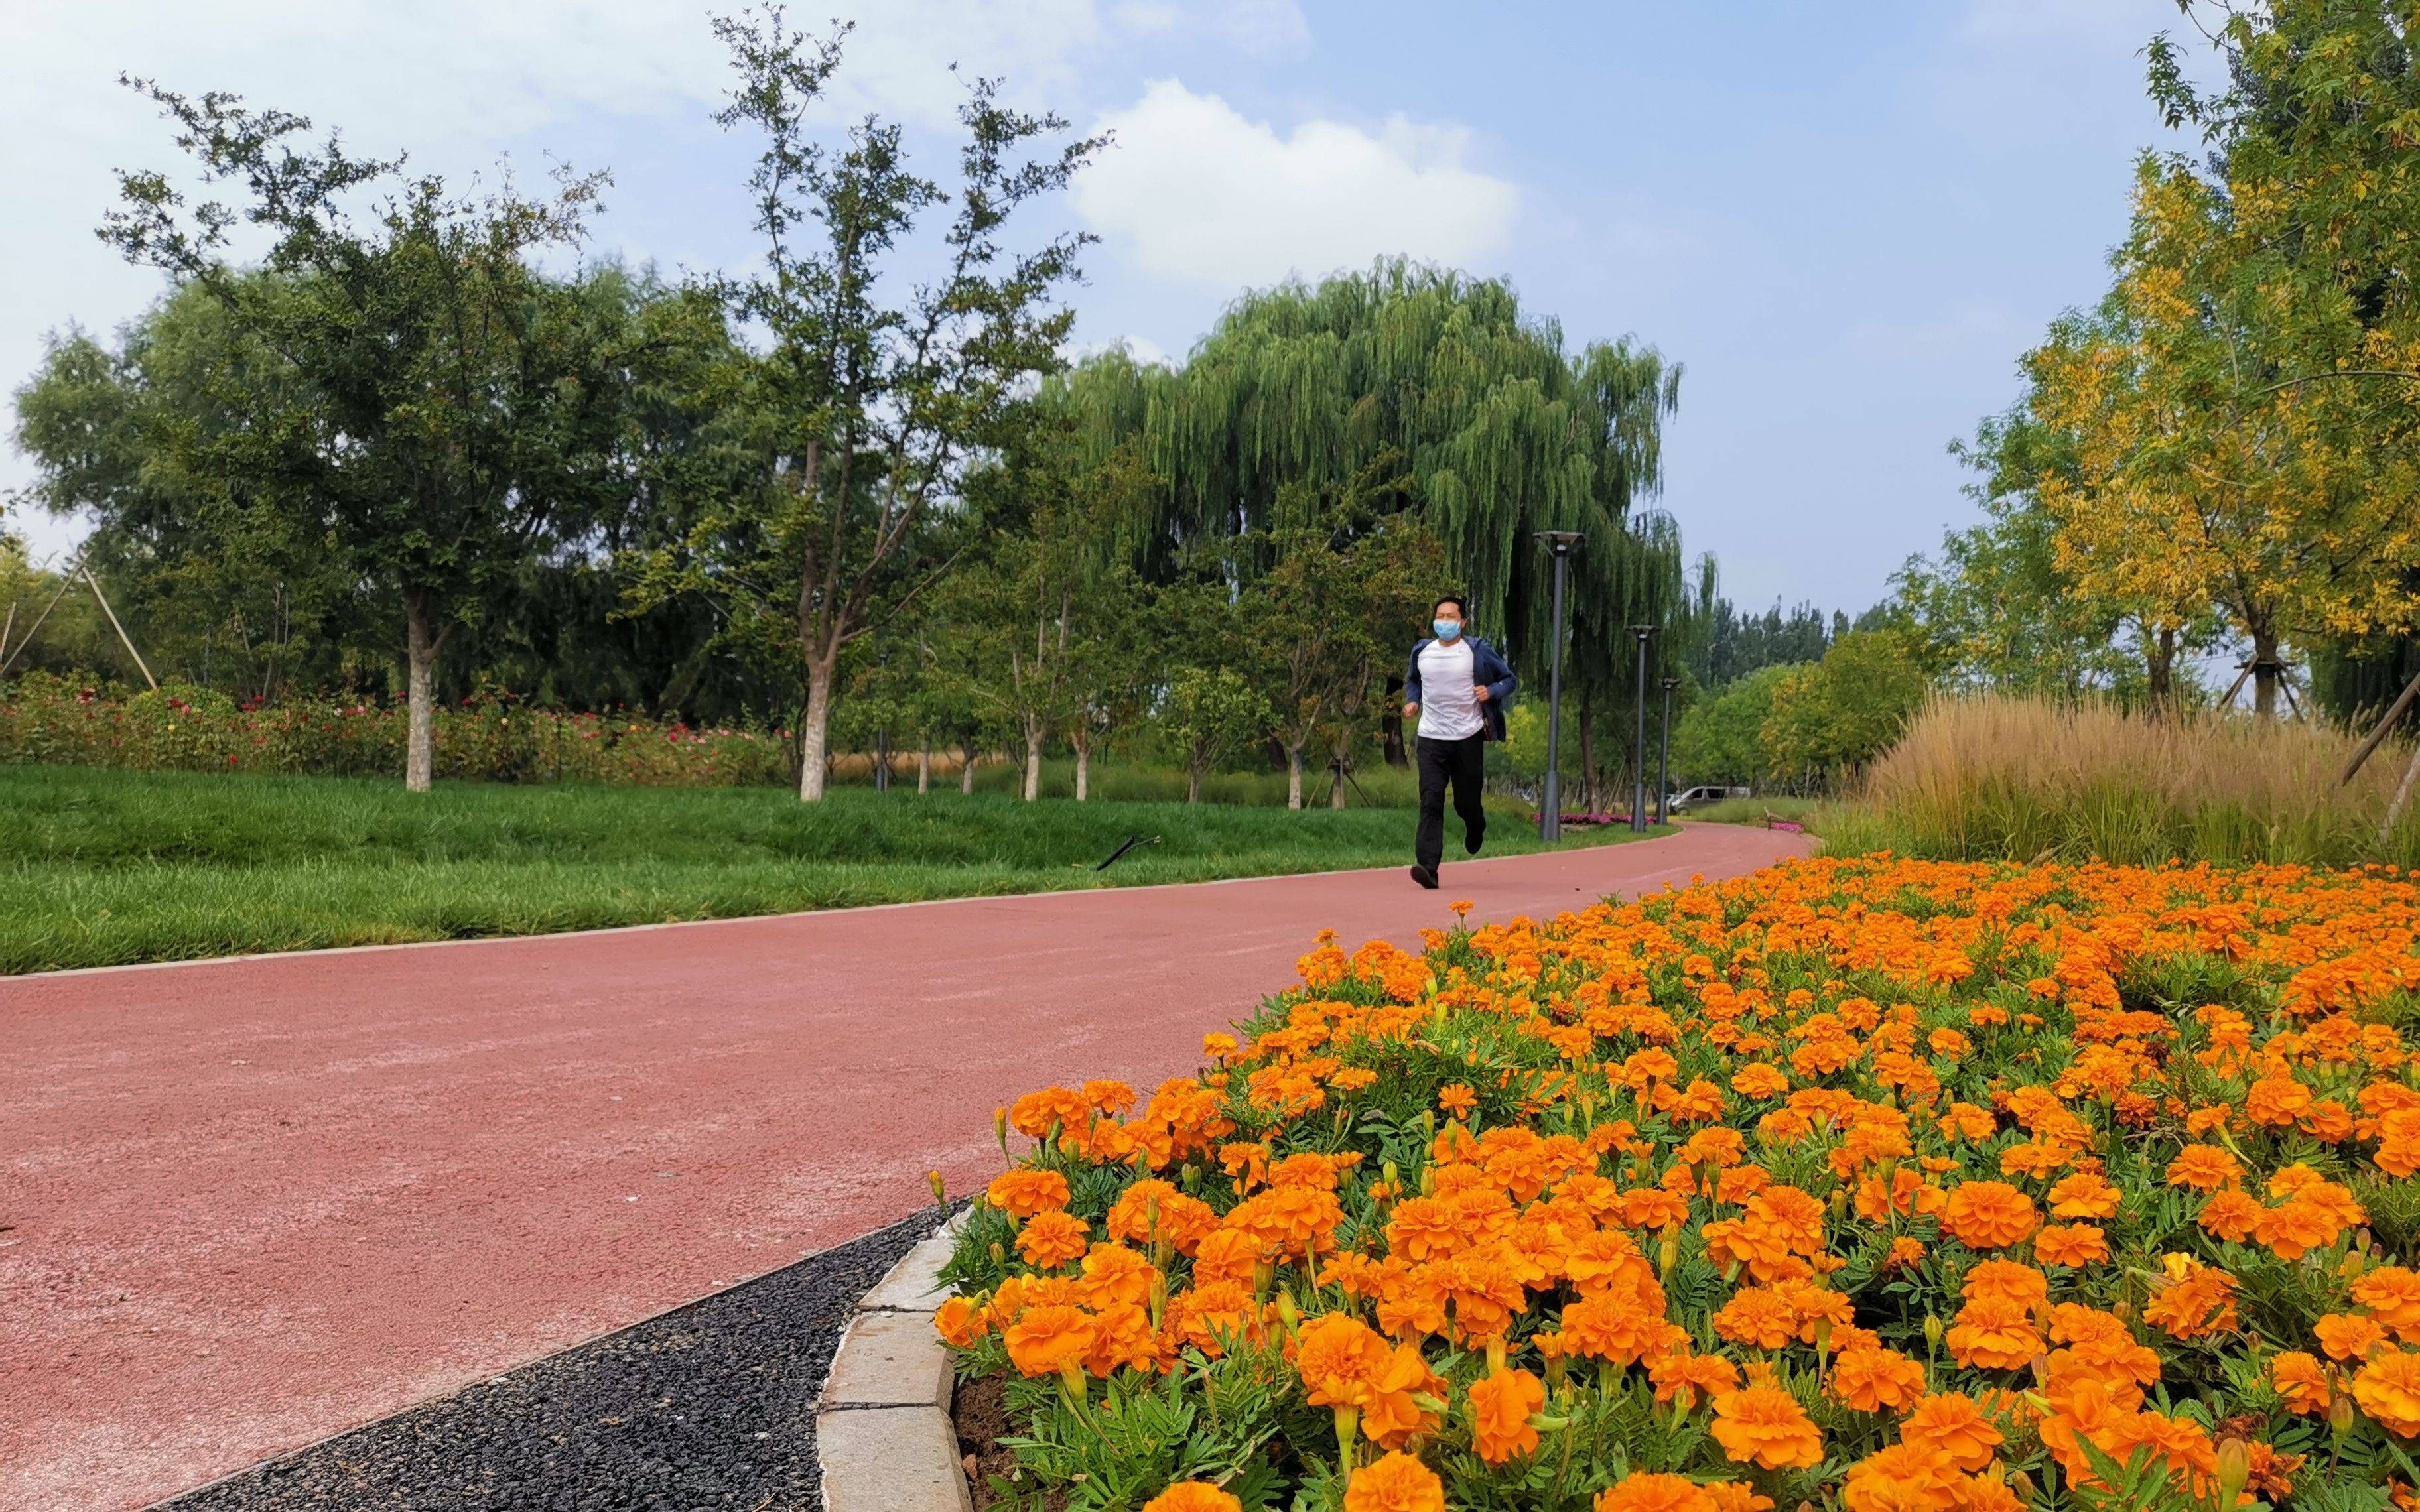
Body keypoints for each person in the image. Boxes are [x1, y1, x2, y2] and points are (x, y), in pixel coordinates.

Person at [1402, 596, 1516, 890]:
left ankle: (1476, 826)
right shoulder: (1422, 651)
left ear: (1463, 623)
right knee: (1430, 800)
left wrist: (1490, 691)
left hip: (1467, 738)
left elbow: (1509, 680)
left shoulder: (1477, 651)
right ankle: (1428, 868)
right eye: (1440, 616)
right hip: (1430, 738)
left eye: (1452, 617)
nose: (1445, 622)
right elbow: (1413, 680)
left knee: (1466, 803)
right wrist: (1413, 702)